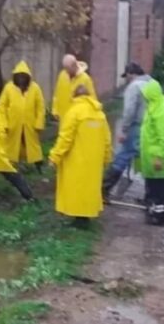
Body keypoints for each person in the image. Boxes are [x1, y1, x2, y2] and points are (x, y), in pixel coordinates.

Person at [49, 85, 112, 229]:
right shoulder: (100, 114)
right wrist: (106, 158)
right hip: (94, 162)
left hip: (76, 160)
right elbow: (107, 139)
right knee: (89, 189)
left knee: (76, 188)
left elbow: (66, 137)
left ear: (75, 96)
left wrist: (55, 156)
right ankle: (85, 218)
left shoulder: (74, 112)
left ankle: (78, 219)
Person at [102, 62, 152, 201]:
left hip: (136, 127)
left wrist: (124, 130)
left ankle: (104, 190)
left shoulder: (134, 87)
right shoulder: (153, 84)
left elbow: (129, 111)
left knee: (122, 157)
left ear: (131, 73)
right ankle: (151, 196)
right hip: (151, 127)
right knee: (147, 161)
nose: (127, 79)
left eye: (127, 76)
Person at [139, 80, 164, 227]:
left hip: (158, 157)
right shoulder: (154, 106)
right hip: (153, 156)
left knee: (159, 188)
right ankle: (154, 211)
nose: (144, 98)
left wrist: (159, 157)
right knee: (153, 186)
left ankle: (160, 216)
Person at [0, 61, 46, 173]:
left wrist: (39, 123)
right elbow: (2, 105)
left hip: (30, 123)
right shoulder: (9, 88)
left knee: (33, 145)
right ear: (15, 76)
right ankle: (10, 166)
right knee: (11, 145)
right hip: (13, 123)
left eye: (23, 76)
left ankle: (38, 166)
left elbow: (40, 106)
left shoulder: (35, 88)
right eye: (19, 76)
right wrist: (4, 123)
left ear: (27, 77)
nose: (21, 79)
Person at [51, 54, 97, 121]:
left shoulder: (85, 79)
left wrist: (91, 116)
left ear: (74, 65)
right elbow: (57, 94)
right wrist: (55, 111)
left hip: (78, 118)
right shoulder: (62, 75)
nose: (66, 71)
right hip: (64, 117)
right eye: (65, 68)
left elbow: (93, 98)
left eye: (68, 68)